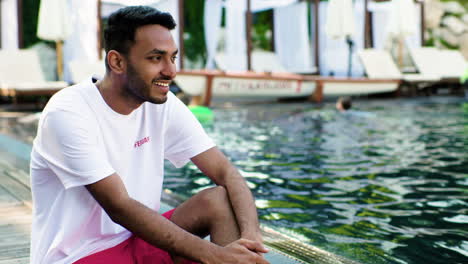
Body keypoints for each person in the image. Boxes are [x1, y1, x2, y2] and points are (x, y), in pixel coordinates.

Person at [30, 6, 268, 264]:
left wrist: (251, 238)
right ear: (117, 62)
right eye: (156, 58)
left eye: (173, 58)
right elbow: (119, 207)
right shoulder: (68, 112)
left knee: (219, 200)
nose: (171, 71)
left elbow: (226, 173)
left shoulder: (163, 104)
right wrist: (218, 256)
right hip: (80, 256)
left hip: (137, 240)